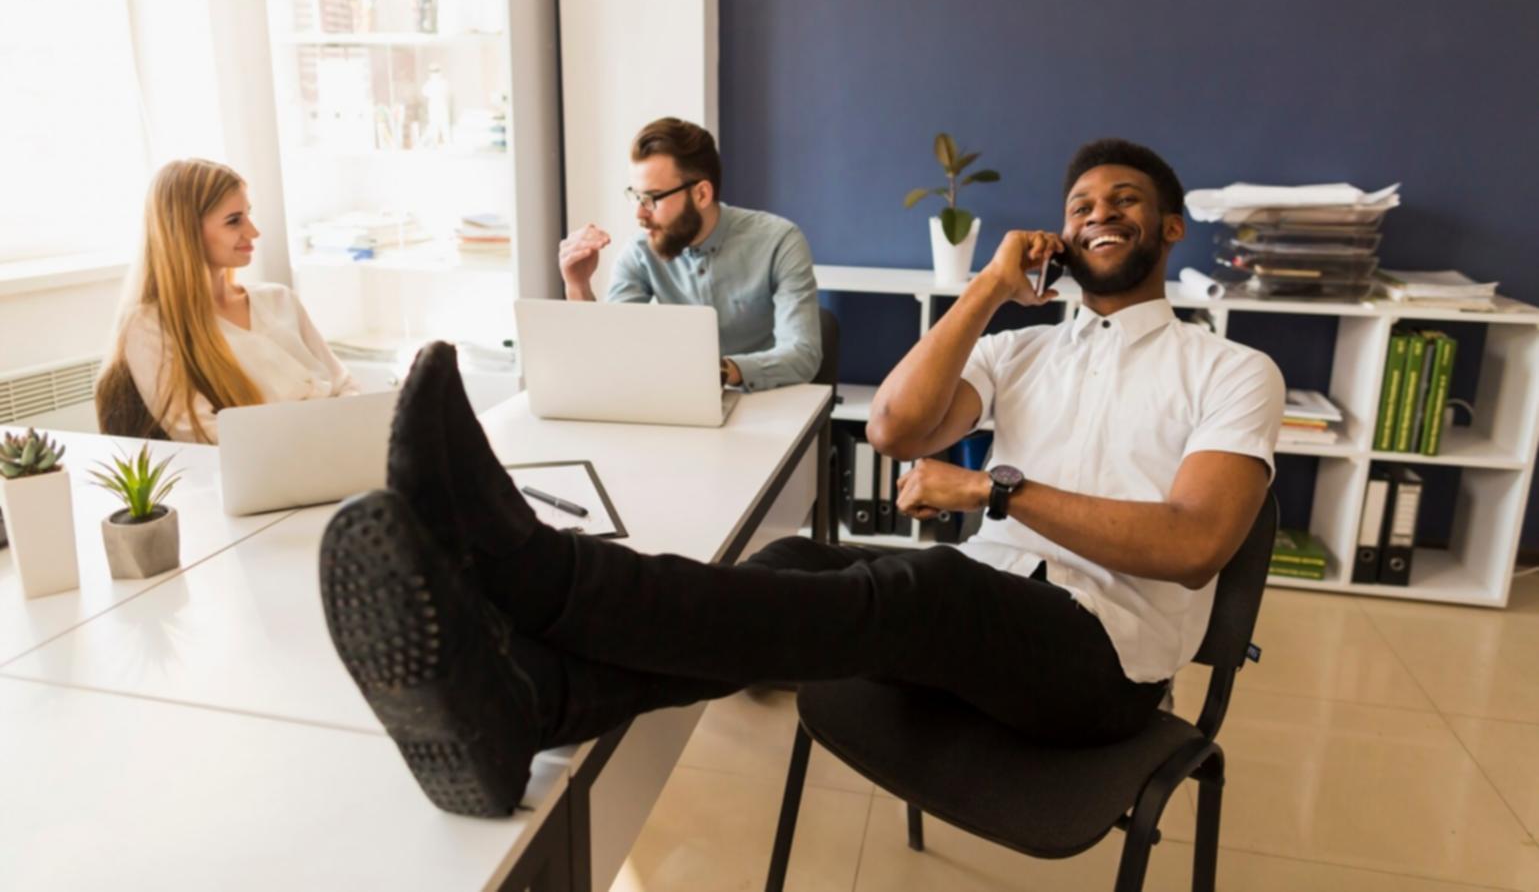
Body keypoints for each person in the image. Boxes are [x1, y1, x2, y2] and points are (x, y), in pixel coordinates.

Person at [319, 138, 1284, 817]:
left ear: (1168, 233)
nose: (1097, 214)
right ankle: (531, 704)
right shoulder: (1024, 348)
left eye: (1123, 203)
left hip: (1104, 670)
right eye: (1079, 206)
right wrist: (988, 289)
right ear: (1059, 239)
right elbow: (902, 429)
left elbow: (1194, 547)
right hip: (990, 621)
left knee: (921, 586)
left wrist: (996, 493)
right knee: (789, 555)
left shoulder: (1231, 371)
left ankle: (536, 574)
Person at [95, 158, 359, 443]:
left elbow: (344, 384)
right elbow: (201, 432)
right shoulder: (149, 326)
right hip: (270, 469)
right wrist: (313, 436)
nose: (253, 232)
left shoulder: (280, 299)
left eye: (249, 215)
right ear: (185, 231)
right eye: (234, 221)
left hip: (334, 447)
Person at [556, 117, 821, 391]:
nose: (639, 214)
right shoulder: (640, 252)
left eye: (652, 199)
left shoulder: (780, 241)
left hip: (766, 404)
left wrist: (721, 371)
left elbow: (802, 355)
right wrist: (578, 286)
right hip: (675, 405)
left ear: (702, 194)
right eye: (636, 197)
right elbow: (610, 354)